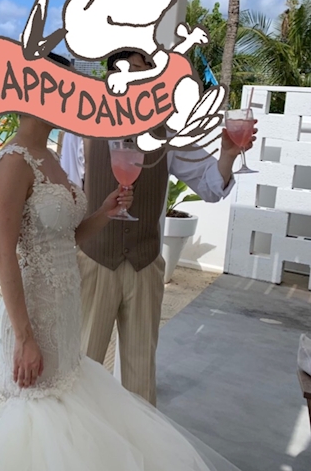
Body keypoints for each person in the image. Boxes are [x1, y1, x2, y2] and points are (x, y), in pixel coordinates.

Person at [0, 52, 243, 471]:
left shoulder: (49, 153)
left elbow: (62, 238)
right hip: (36, 315)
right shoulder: (14, 160)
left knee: (75, 402)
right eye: (62, 89)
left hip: (65, 311)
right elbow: (6, 251)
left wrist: (105, 212)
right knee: (32, 415)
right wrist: (25, 338)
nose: (70, 98)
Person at [75, 50, 257, 406]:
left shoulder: (168, 134)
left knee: (141, 375)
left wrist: (228, 154)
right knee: (84, 366)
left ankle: (136, 440)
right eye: (130, 71)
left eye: (146, 73)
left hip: (145, 265)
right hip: (94, 262)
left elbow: (210, 185)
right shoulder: (82, 130)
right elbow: (69, 192)